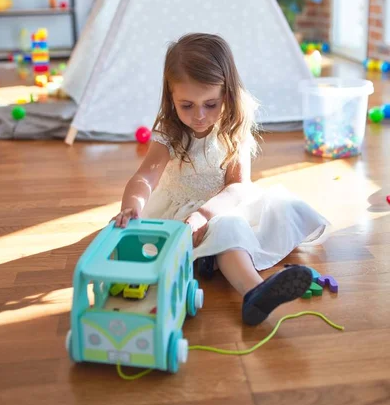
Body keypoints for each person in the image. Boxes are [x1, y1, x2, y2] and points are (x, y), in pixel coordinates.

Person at [113, 33, 329, 325]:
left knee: (230, 225)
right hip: (178, 212)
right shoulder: (170, 130)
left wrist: (204, 214)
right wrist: (133, 205)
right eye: (187, 105)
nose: (199, 115)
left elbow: (238, 186)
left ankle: (253, 292)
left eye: (210, 104)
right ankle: (223, 269)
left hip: (223, 205)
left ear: (227, 93)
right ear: (171, 95)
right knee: (223, 230)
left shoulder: (233, 126)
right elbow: (145, 176)